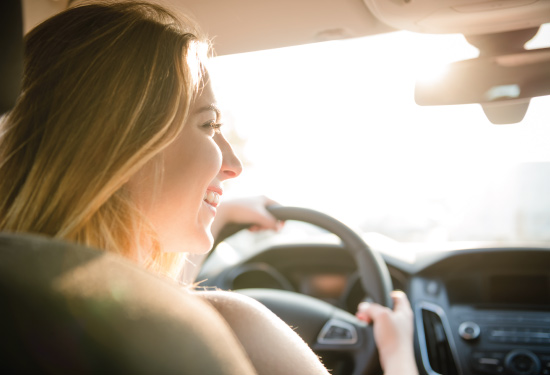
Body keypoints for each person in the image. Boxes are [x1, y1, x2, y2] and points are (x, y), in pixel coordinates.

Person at [0, 1, 416, 374]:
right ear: (120, 145)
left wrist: (224, 215)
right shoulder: (231, 327)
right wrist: (398, 358)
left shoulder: (21, 303)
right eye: (208, 125)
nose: (232, 165)